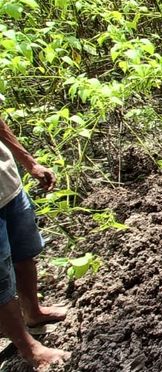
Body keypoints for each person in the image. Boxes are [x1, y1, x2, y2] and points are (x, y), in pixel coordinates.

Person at [0, 112, 69, 369]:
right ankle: (28, 347)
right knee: (0, 280)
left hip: (8, 186)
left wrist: (30, 163)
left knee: (24, 252)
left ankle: (34, 313)